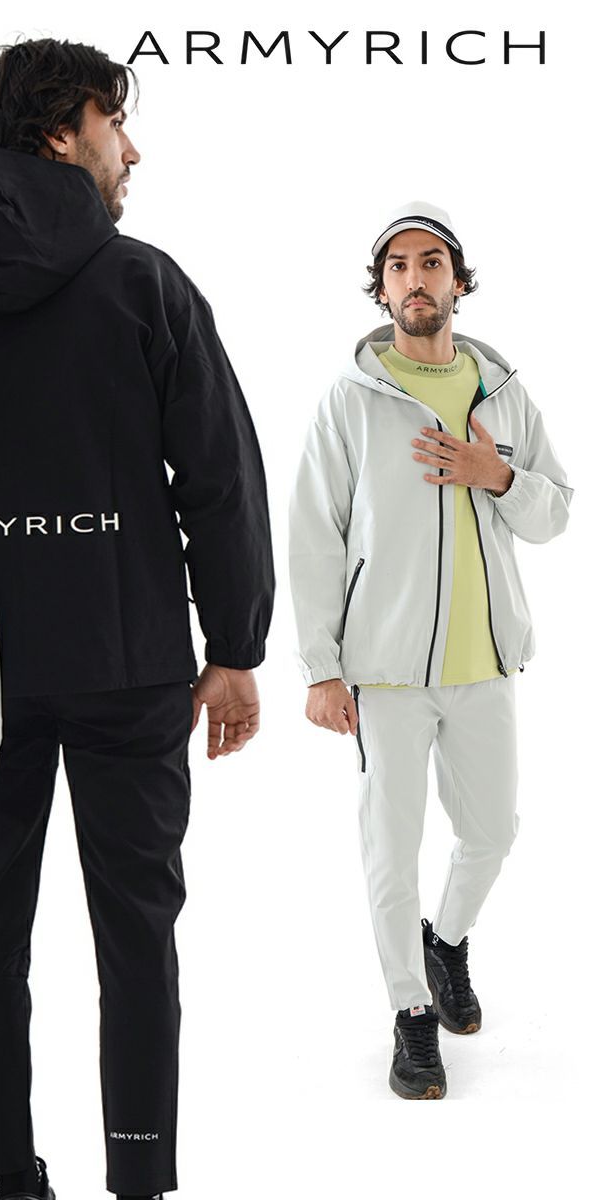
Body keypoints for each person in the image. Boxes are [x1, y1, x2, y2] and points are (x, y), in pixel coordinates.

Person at [0, 37, 274, 1200]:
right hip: (128, 663)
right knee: (137, 933)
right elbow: (219, 475)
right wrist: (234, 647)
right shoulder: (143, 284)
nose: (131, 149)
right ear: (63, 132)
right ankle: (140, 1181)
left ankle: (11, 1178)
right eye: (116, 123)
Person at [289, 201, 571, 1099]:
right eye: (399, 266)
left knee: (492, 832)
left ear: (458, 280)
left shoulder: (502, 390)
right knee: (392, 848)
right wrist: (322, 668)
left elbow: (556, 511)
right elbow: (313, 537)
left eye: (432, 262)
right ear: (382, 289)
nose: (416, 279)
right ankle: (412, 1013)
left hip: (486, 663)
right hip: (386, 671)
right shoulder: (351, 399)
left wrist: (498, 475)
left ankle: (444, 941)